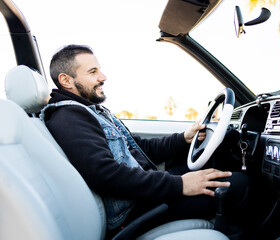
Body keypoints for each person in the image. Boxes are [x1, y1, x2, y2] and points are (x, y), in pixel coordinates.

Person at [41, 44, 250, 238]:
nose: (103, 77)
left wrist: (184, 138)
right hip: (132, 212)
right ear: (66, 80)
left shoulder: (89, 111)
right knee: (239, 184)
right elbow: (105, 175)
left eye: (99, 70)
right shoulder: (69, 117)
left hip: (141, 194)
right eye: (92, 72)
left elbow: (137, 147)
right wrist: (180, 184)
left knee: (216, 165)